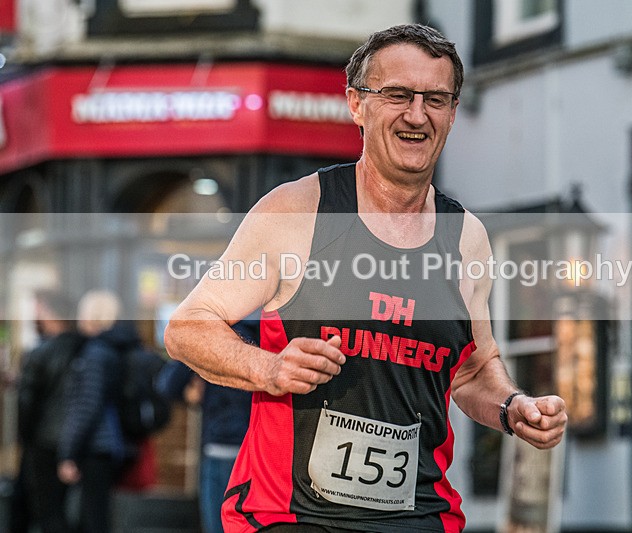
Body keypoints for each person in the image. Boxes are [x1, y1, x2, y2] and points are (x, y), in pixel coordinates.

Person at [165, 23, 567, 533]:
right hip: (292, 515)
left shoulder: (466, 238)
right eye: (397, 94)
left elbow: (470, 370)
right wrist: (267, 369)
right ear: (356, 104)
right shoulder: (298, 212)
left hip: (419, 516)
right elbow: (187, 328)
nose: (417, 114)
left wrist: (514, 407)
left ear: (453, 112)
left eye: (436, 99)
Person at [156, 317, 255, 533]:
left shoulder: (211, 334)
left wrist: (192, 392)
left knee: (217, 524)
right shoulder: (270, 334)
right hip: (258, 451)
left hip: (220, 443)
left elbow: (168, 384)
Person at [57, 289, 138, 533]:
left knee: (92, 519)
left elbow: (87, 405)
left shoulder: (95, 353)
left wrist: (68, 452)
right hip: (110, 443)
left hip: (95, 446)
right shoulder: (116, 348)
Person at [16, 290, 85, 533]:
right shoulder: (87, 348)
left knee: (47, 511)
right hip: (81, 440)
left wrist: (24, 437)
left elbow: (26, 403)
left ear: (47, 311)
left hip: (43, 441)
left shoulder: (40, 354)